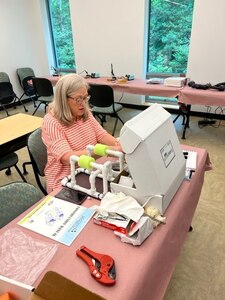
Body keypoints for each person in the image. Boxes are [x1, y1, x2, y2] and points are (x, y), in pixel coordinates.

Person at [42, 74, 122, 193]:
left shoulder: (84, 112)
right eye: (78, 99)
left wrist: (119, 145)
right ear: (64, 99)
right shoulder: (51, 122)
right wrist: (109, 150)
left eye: (85, 98)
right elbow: (67, 158)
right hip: (65, 180)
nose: (83, 103)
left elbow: (101, 135)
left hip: (88, 171)